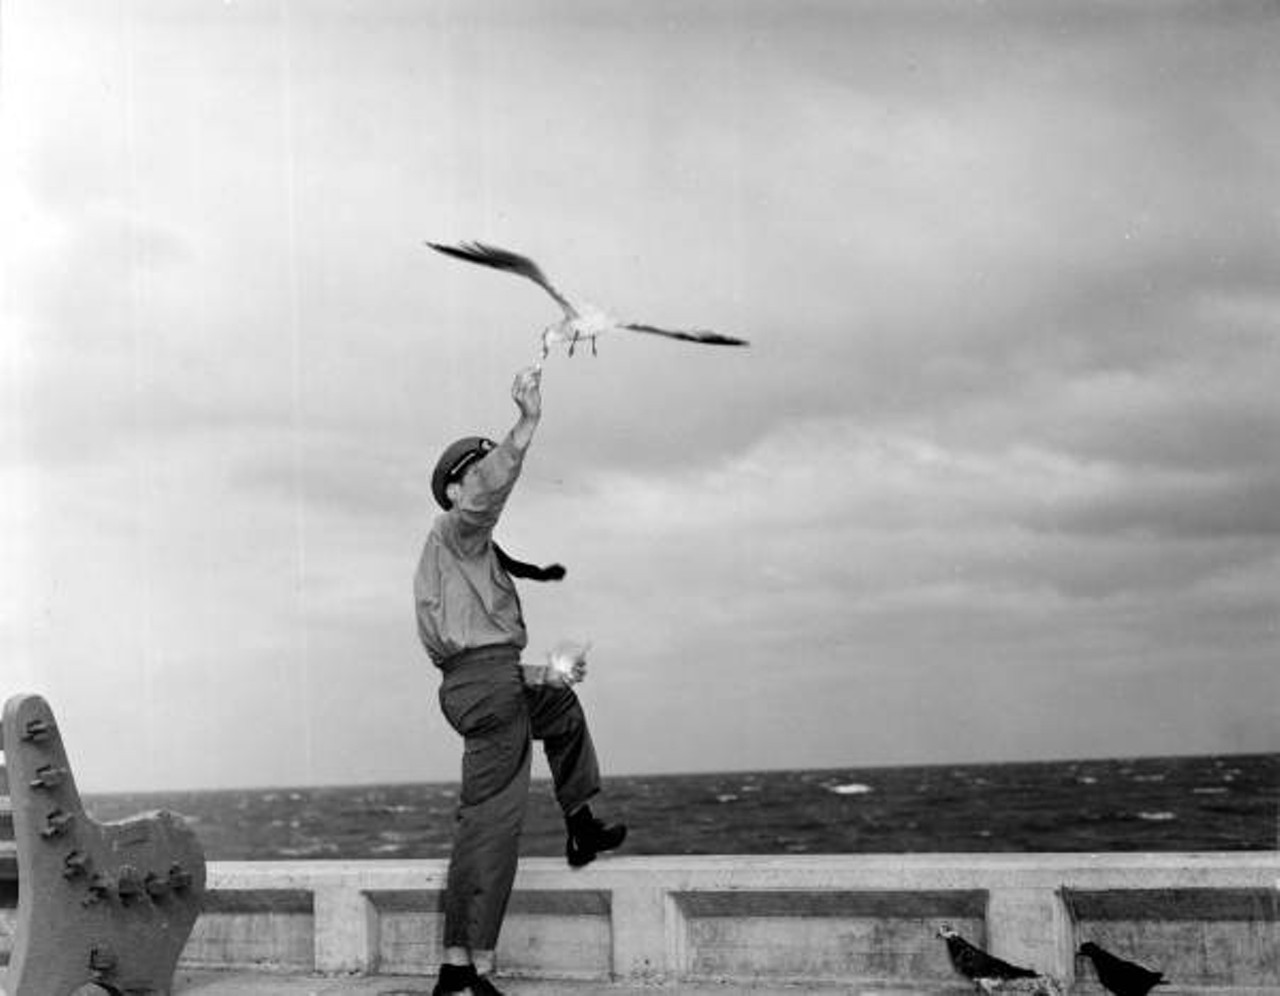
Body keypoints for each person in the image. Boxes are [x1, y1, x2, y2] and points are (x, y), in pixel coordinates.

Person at [415, 364, 627, 996]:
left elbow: (479, 656)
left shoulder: (464, 555)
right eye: (472, 475)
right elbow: (478, 663)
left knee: (560, 706)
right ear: (455, 492)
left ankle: (580, 821)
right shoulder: (457, 528)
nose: (481, 483)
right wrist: (526, 422)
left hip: (484, 684)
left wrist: (546, 673)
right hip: (483, 687)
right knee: (490, 821)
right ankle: (465, 963)